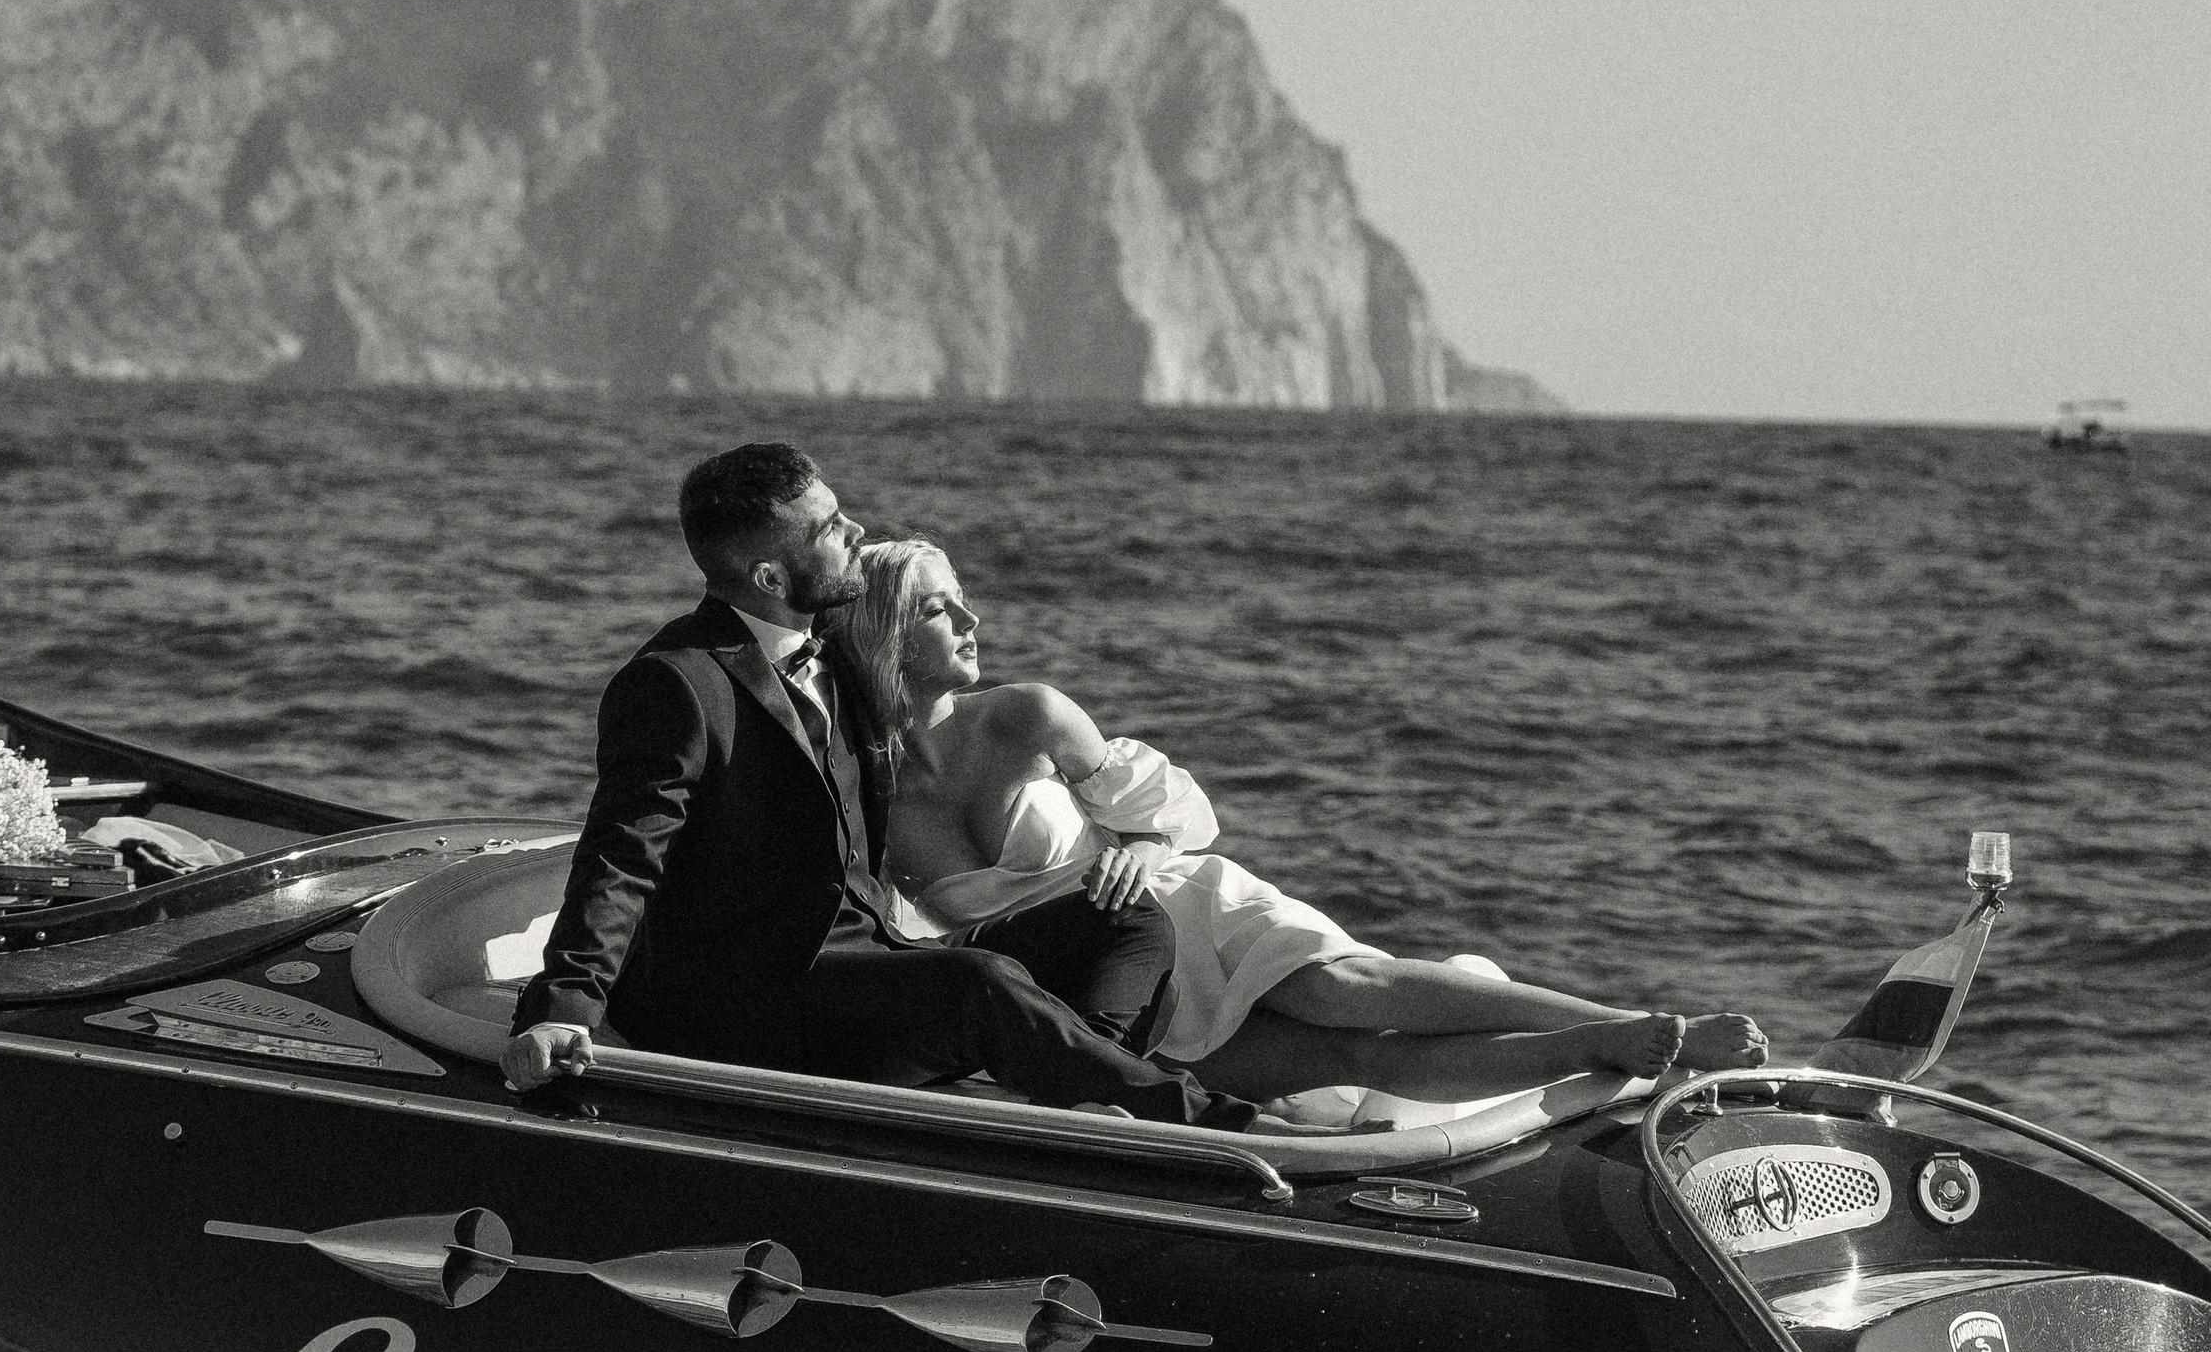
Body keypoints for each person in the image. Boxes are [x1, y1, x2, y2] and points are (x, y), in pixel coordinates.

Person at [832, 537, 1767, 1113]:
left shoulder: (1027, 714)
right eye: (937, 606)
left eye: (963, 596)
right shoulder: (866, 790)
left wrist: (1143, 853)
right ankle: (1597, 1053)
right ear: (884, 633)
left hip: (1175, 906)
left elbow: (1174, 817)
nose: (971, 616)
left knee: (1352, 987)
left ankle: (1637, 1027)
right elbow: (905, 938)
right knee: (1338, 1056)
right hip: (1098, 989)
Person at [502, 444, 1224, 1119]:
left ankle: (1088, 1098)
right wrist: (565, 1002)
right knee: (979, 985)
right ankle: (1196, 1122)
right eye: (828, 526)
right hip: (751, 1001)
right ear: (770, 578)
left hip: (863, 957)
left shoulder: (834, 664)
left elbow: (919, 667)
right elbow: (622, 854)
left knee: (1122, 920)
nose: (857, 531)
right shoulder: (677, 685)